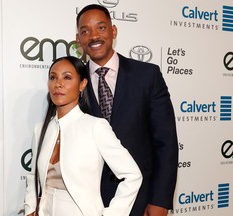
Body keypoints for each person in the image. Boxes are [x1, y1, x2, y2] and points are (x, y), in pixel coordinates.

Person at [75, 4, 179, 216]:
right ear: (78, 40)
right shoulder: (74, 82)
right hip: (89, 202)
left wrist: (160, 200)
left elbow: (166, 142)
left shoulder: (147, 76)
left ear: (113, 31)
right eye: (85, 31)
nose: (94, 36)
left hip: (140, 199)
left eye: (101, 28)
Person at [24, 56, 143, 216]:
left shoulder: (95, 127)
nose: (58, 83)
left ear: (82, 84)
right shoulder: (41, 129)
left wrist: (112, 213)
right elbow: (33, 176)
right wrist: (30, 209)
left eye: (67, 77)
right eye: (53, 77)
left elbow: (132, 175)